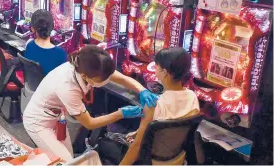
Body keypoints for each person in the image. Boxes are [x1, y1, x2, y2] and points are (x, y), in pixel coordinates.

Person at [23, 45, 158, 161]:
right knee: (66, 162)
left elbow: (122, 78)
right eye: (102, 79)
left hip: (58, 117)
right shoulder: (67, 86)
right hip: (38, 121)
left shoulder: (90, 66)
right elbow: (89, 123)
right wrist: (120, 114)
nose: (107, 80)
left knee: (68, 157)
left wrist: (142, 90)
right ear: (85, 76)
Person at [119, 47, 199, 165]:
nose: (154, 69)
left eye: (156, 66)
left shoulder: (153, 105)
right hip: (178, 159)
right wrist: (139, 132)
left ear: (165, 72)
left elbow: (137, 147)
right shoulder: (192, 97)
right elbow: (173, 125)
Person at [24, 9, 67, 76]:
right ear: (53, 27)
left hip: (33, 86)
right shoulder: (60, 53)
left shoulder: (29, 45)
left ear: (32, 29)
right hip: (51, 86)